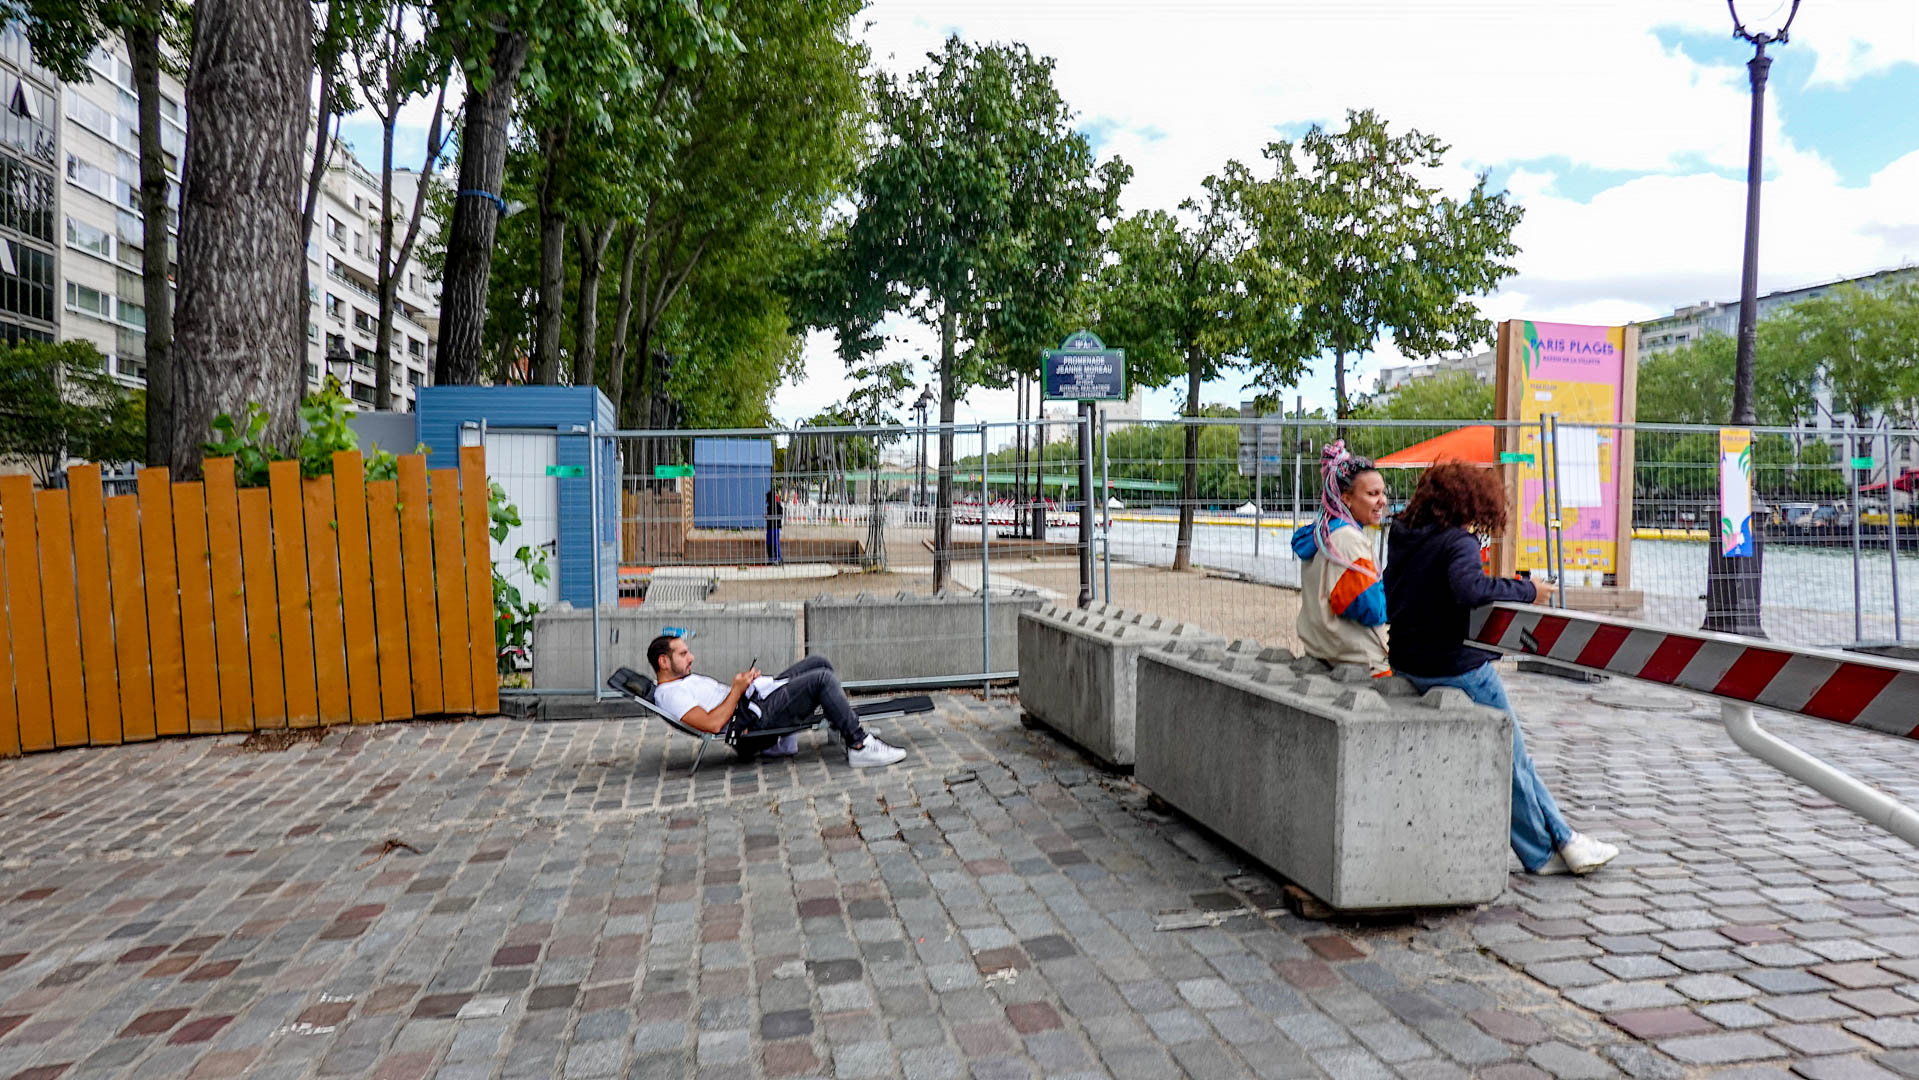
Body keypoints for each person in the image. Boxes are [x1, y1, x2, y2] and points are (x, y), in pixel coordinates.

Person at [1383, 462, 1619, 876]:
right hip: (1454, 666)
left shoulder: (1402, 535)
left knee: (1512, 757)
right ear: (1472, 502)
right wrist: (1529, 589)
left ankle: (1565, 840)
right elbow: (1470, 588)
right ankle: (1547, 850)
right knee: (1512, 757)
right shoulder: (1458, 542)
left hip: (1407, 660)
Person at [646, 635, 907, 768]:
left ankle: (842, 725)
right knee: (821, 679)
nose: (691, 657)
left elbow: (720, 703)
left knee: (818, 663)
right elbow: (712, 724)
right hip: (750, 729)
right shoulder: (671, 695)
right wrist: (737, 689)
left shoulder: (681, 681)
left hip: (752, 706)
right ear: (664, 661)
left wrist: (745, 684)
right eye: (683, 654)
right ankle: (859, 745)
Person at [1292, 441, 1390, 676]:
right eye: (1372, 494)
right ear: (1346, 498)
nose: (1383, 501)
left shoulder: (1321, 533)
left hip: (1325, 651)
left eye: (1383, 492)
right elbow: (1369, 608)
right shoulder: (1349, 540)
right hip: (1363, 659)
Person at [765, 488, 783, 565]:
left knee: (775, 543)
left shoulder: (778, 506)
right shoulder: (769, 507)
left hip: (775, 527)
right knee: (769, 543)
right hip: (769, 527)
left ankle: (778, 559)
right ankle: (771, 559)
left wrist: (770, 517)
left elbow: (780, 516)